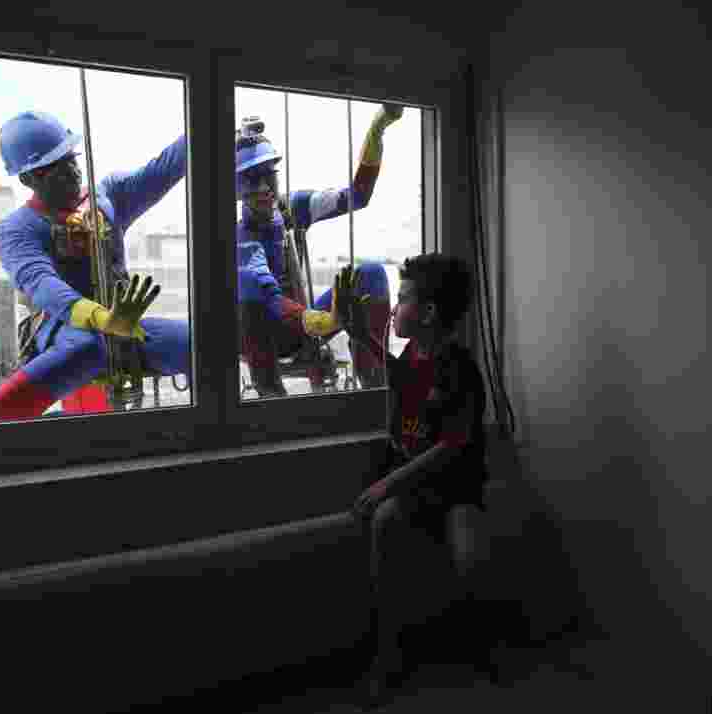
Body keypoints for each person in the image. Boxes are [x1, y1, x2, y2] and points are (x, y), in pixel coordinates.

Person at [0, 111, 190, 424]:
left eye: (71, 159)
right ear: (29, 179)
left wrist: (204, 125)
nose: (72, 171)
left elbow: (163, 169)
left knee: (202, 341)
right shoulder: (16, 230)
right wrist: (100, 318)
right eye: (56, 168)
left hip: (122, 320)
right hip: (62, 327)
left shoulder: (106, 198)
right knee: (87, 346)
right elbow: (42, 284)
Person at [334, 254, 487, 708]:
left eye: (402, 299)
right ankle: (388, 654)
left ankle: (453, 646)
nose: (395, 307)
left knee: (466, 560)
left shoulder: (456, 365)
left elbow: (453, 443)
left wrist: (389, 484)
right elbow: (402, 377)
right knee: (384, 525)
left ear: (428, 313)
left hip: (451, 484)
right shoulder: (415, 354)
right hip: (415, 479)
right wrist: (359, 333)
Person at [235, 105, 403, 396]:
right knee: (253, 311)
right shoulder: (242, 240)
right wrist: (326, 320)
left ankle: (377, 389)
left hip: (304, 324)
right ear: (237, 187)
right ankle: (272, 400)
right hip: (263, 335)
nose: (264, 187)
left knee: (372, 274)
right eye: (252, 178)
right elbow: (271, 299)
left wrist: (377, 129)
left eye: (268, 174)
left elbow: (357, 196)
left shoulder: (290, 208)